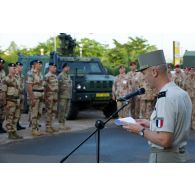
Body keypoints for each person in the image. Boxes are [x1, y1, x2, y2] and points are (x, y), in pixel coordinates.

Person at [123, 50, 192, 163]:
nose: (144, 78)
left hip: (165, 158)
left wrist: (141, 130)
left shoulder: (166, 97)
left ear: (154, 72)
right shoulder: (181, 93)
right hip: (180, 156)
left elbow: (164, 140)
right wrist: (150, 124)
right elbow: (174, 125)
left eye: (144, 73)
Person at [3, 63, 23, 139]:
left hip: (17, 99)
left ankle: (14, 132)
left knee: (16, 117)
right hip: (10, 100)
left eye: (15, 68)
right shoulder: (6, 78)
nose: (14, 69)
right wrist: (5, 102)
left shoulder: (17, 78)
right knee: (9, 117)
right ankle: (10, 133)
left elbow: (19, 89)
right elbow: (3, 92)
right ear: (9, 69)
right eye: (12, 68)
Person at [27, 60, 45, 136]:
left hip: (41, 95)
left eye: (41, 64)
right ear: (34, 65)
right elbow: (29, 86)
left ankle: (36, 128)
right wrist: (32, 98)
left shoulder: (40, 73)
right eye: (39, 64)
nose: (40, 65)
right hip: (35, 95)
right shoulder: (31, 73)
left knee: (39, 112)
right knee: (34, 113)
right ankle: (34, 129)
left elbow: (42, 85)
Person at [44, 63, 59, 133]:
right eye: (53, 67)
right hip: (49, 96)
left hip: (55, 96)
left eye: (55, 67)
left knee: (54, 111)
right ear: (50, 68)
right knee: (49, 111)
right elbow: (44, 87)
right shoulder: (47, 76)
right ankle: (47, 127)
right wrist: (45, 97)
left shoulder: (55, 76)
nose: (55, 68)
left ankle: (51, 126)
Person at [58, 63, 72, 130]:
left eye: (68, 67)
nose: (68, 68)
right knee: (62, 110)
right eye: (67, 67)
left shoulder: (68, 75)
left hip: (68, 95)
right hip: (62, 96)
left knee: (67, 110)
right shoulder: (61, 75)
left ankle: (64, 123)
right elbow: (58, 86)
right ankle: (61, 124)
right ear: (64, 68)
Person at [15, 62, 26, 130]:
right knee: (15, 111)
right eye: (19, 66)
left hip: (21, 95)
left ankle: (17, 124)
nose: (21, 67)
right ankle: (13, 125)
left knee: (20, 110)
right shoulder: (14, 75)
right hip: (16, 96)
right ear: (16, 67)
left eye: (21, 66)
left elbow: (23, 85)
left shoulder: (22, 75)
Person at [0, 58, 7, 133]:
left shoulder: (3, 72)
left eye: (2, 64)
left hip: (2, 94)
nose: (2, 65)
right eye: (1, 64)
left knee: (2, 112)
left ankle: (1, 126)